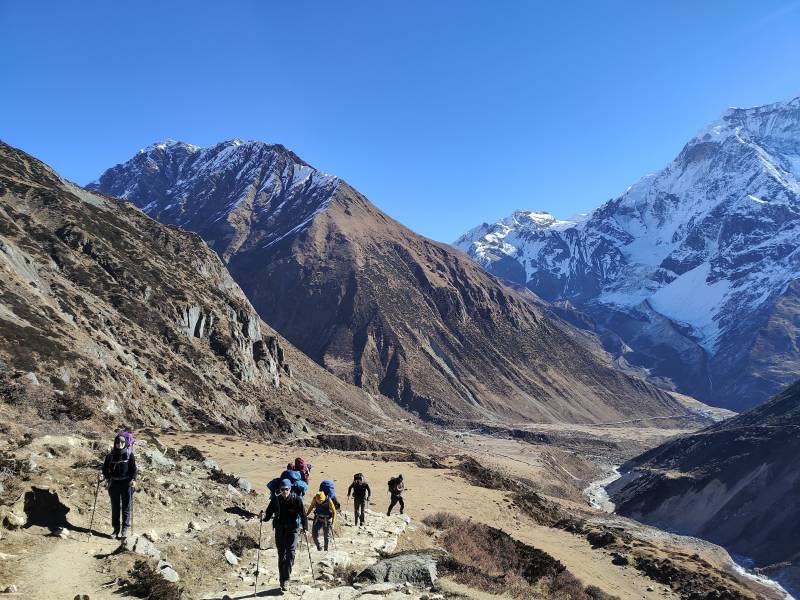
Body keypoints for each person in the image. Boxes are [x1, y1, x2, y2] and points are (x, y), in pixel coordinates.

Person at [263, 479, 308, 592]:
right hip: (280, 530)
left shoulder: (296, 500)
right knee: (281, 555)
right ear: (279, 490)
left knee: (291, 554)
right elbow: (268, 515)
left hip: (293, 530)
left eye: (286, 489)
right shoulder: (275, 500)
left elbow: (303, 515)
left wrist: (305, 529)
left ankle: (286, 579)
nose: (284, 491)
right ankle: (282, 580)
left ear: (290, 489)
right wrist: (262, 516)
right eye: (282, 489)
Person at [101, 432, 137, 539]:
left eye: (122, 442)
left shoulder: (129, 455)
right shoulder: (110, 456)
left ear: (125, 443)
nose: (119, 444)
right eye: (117, 442)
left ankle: (124, 529)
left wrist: (133, 479)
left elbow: (133, 469)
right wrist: (106, 477)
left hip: (127, 484)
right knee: (115, 507)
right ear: (115, 443)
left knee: (126, 507)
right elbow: (104, 469)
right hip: (114, 484)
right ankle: (116, 530)